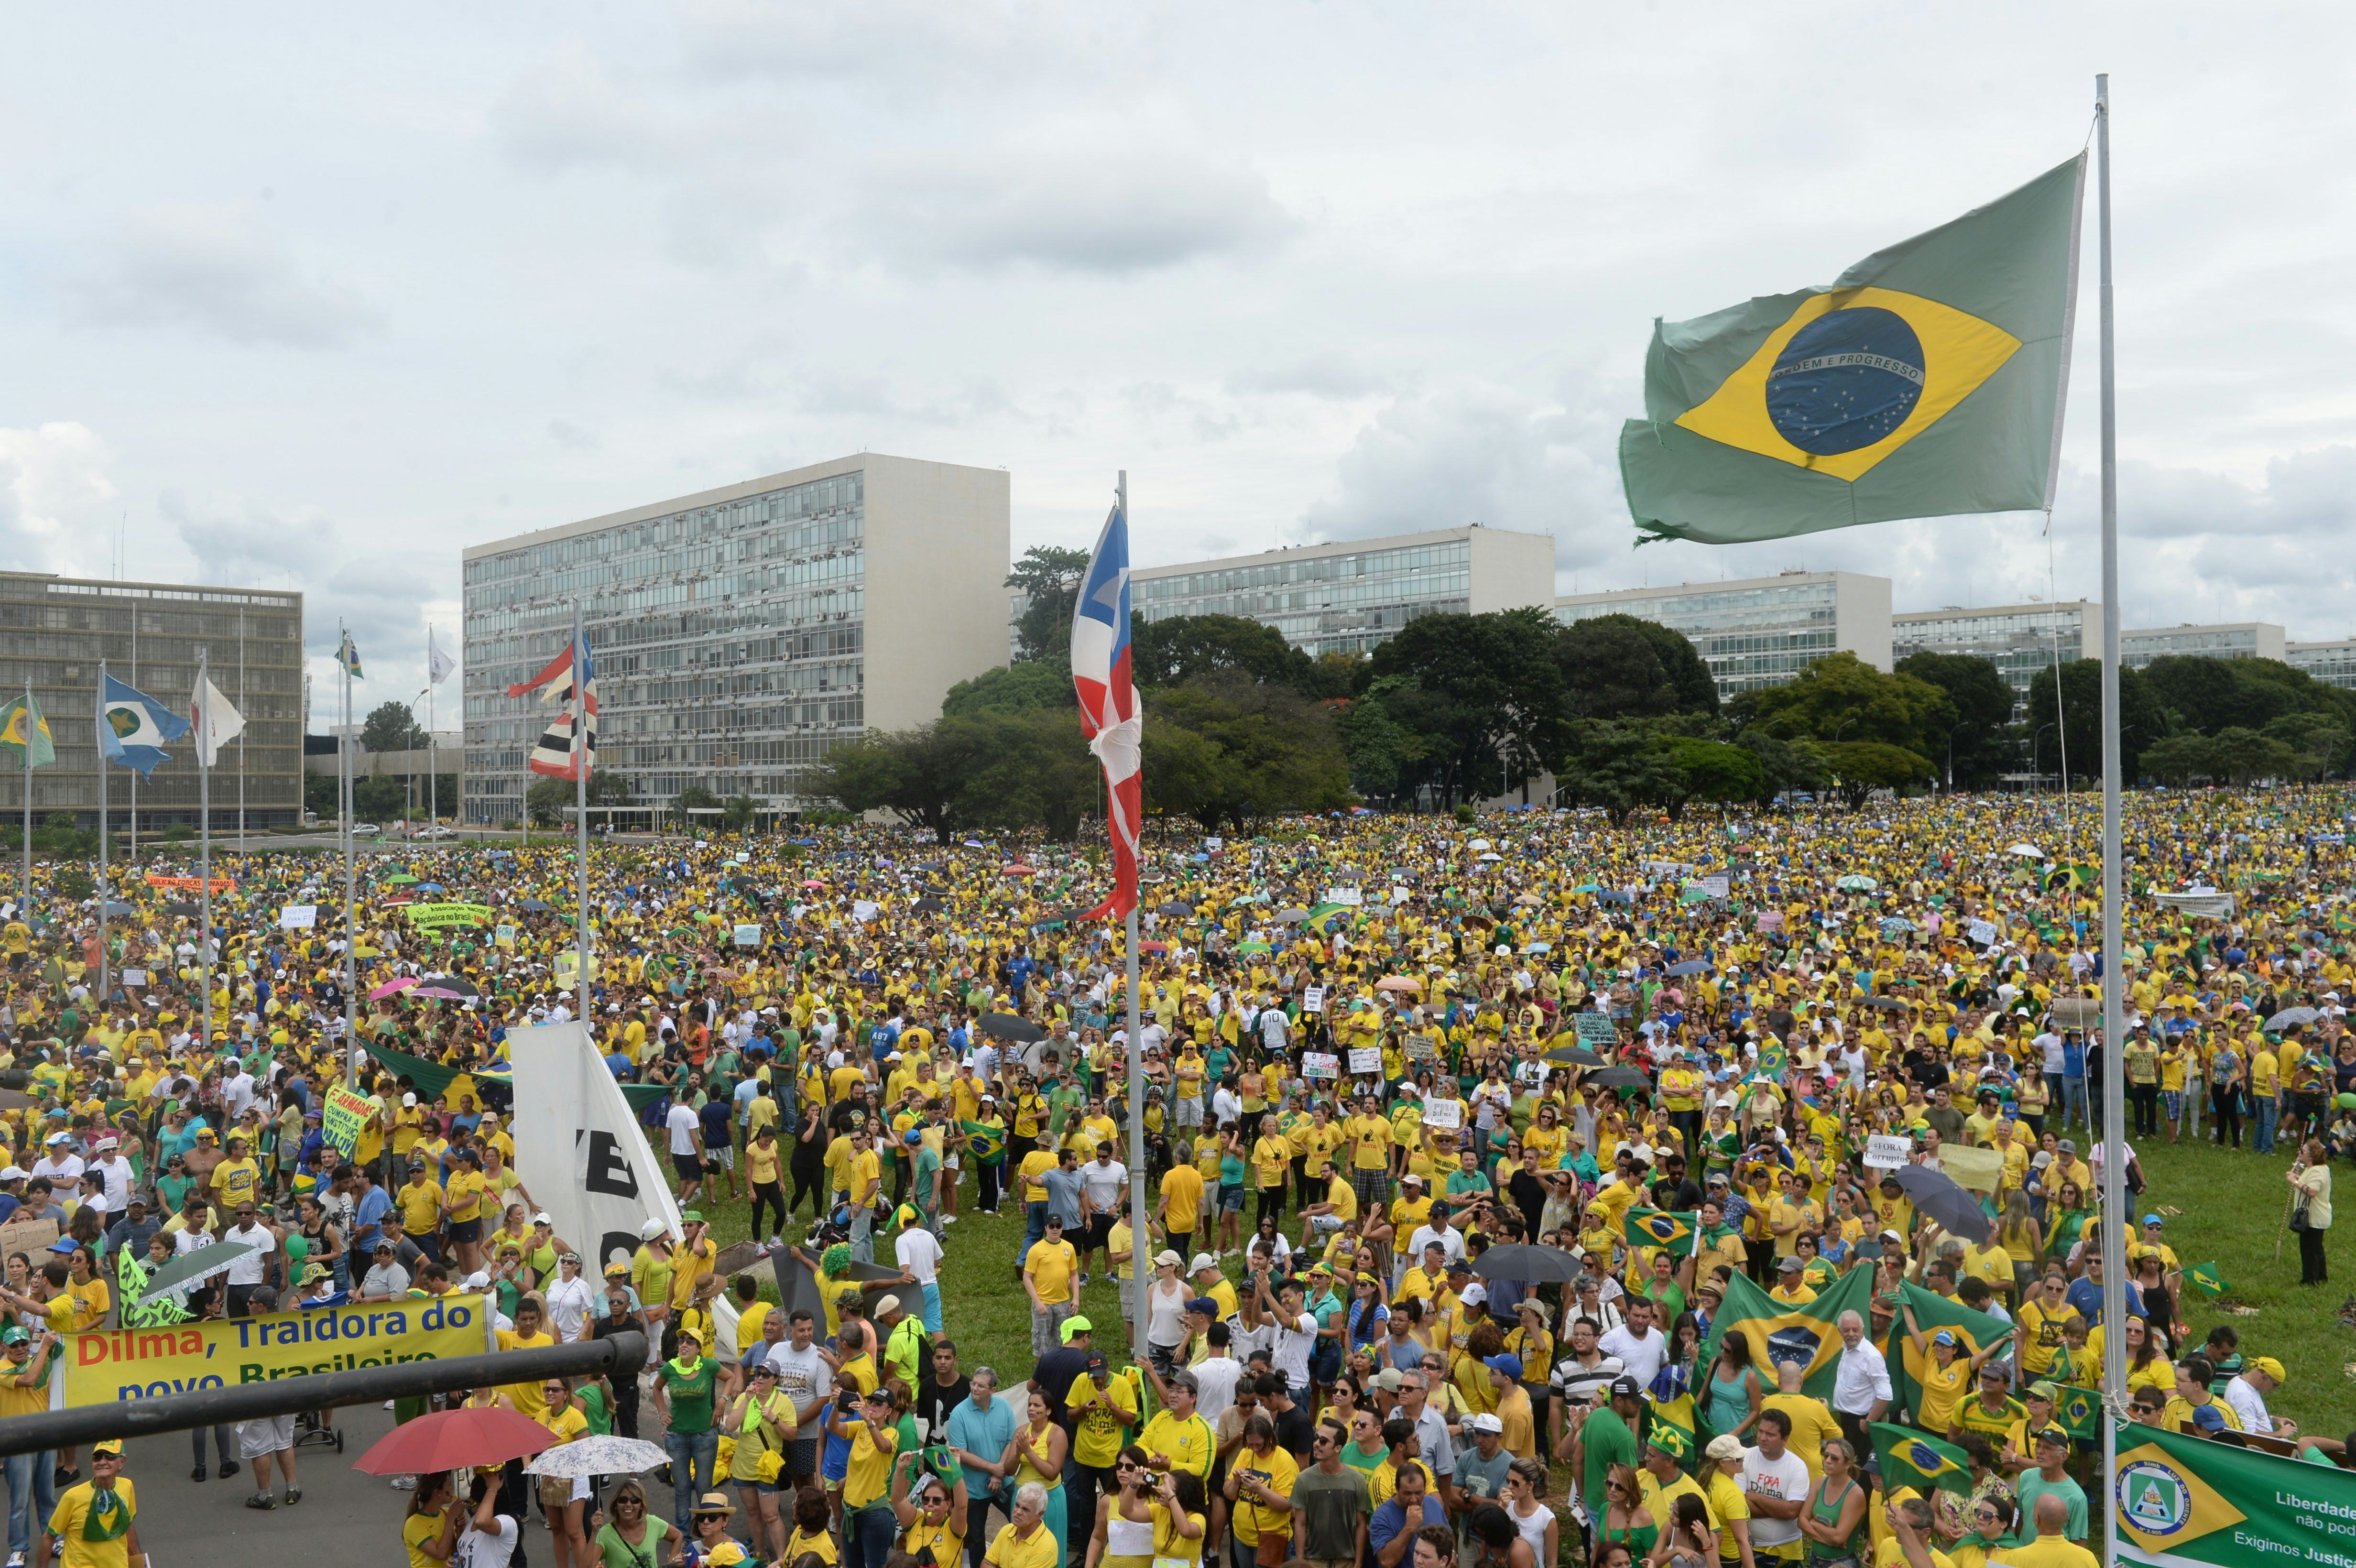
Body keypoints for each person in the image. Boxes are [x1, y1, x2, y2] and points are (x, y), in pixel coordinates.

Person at [654, 1326, 722, 1528]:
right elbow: (657, 1388)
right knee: (682, 1488)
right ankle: (683, 1535)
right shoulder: (670, 1368)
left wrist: (723, 1401)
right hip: (676, 1438)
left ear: (699, 1348)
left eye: (690, 1341)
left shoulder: (709, 1366)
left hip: (705, 1437)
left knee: (704, 1488)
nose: (684, 1345)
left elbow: (731, 1378)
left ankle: (708, 1530)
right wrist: (662, 1413)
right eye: (681, 1341)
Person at [588, 1478, 679, 1568]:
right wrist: (594, 1533)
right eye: (623, 1500)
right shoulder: (605, 1534)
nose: (628, 1504)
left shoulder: (653, 1523)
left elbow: (677, 1537)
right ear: (616, 1505)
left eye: (635, 1500)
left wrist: (671, 1563)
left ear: (642, 1506)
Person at [2290, 1140, 2334, 1286]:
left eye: (2303, 1151)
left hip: (2314, 1217)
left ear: (2311, 1155)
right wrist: (2298, 1178)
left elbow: (2313, 1192)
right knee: (2316, 1248)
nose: (2300, 1153)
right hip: (2317, 1216)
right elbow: (2310, 1184)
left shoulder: (2317, 1171)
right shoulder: (2316, 1168)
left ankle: (2310, 1280)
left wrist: (2295, 1182)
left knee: (2309, 1249)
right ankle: (2321, 1276)